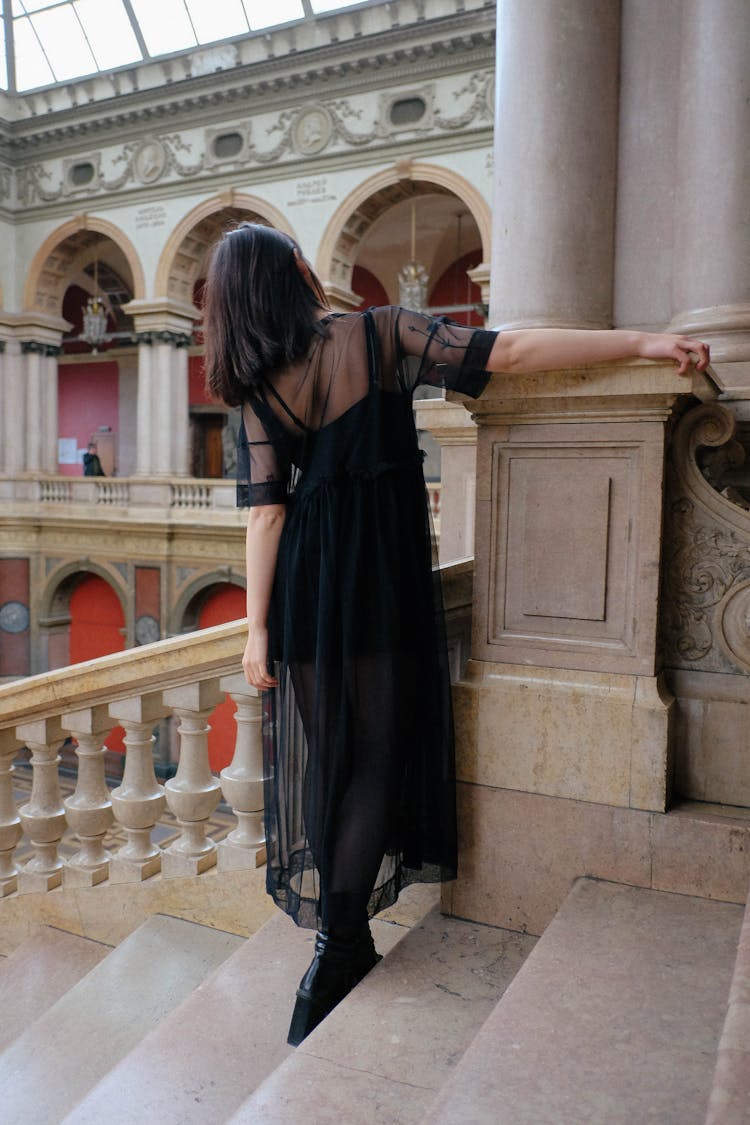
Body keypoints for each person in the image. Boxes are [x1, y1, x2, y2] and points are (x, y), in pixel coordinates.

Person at [202, 222, 709, 1047]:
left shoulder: (258, 383)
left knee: (336, 761)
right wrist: (644, 340)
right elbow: (504, 352)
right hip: (381, 572)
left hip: (310, 581)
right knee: (374, 763)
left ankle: (344, 940)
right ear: (295, 270)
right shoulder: (381, 330)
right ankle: (335, 949)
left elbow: (266, 512)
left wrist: (256, 629)